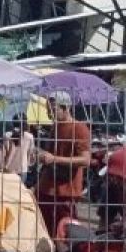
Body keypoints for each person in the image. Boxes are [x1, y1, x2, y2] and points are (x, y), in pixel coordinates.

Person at [37, 91, 91, 235]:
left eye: (53, 109)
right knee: (45, 231)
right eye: (48, 110)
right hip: (47, 189)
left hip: (65, 192)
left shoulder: (79, 129)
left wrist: (54, 159)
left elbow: (85, 160)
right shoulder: (55, 127)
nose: (50, 114)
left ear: (65, 108)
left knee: (65, 233)